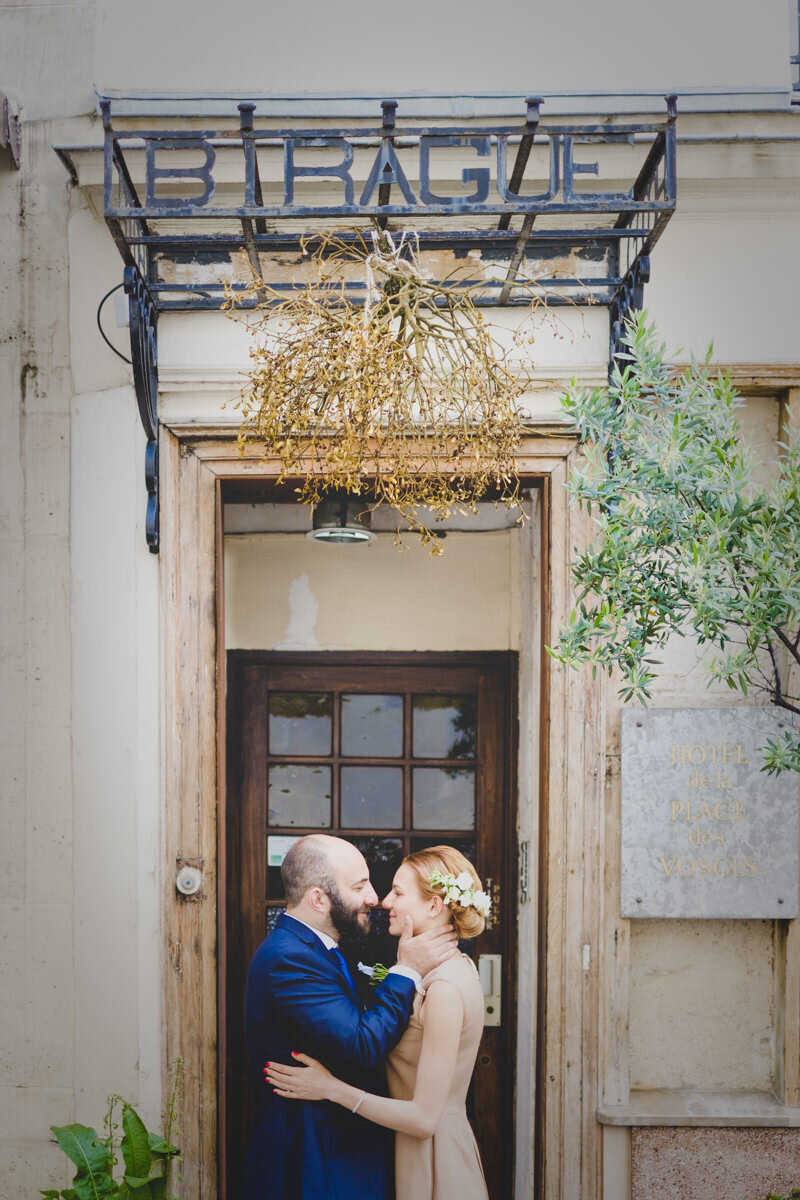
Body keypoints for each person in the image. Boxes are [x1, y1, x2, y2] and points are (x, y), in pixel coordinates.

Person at [266, 846, 491, 1200]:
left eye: (398, 893)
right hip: (408, 1150)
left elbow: (423, 1118)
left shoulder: (445, 986)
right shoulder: (435, 974)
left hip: (433, 1157)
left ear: (434, 906)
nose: (385, 901)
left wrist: (331, 1088)